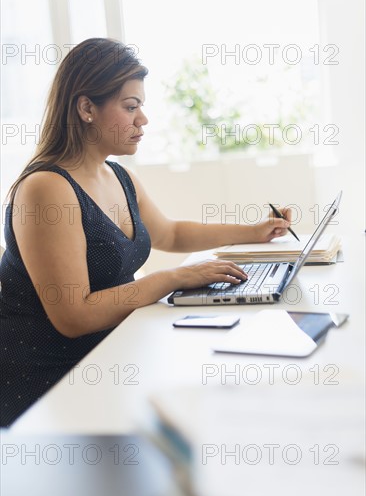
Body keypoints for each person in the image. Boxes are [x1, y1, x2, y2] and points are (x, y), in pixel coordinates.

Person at [0, 38, 291, 426]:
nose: (143, 120)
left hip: (110, 356)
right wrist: (172, 279)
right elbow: (73, 315)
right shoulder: (46, 189)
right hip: (50, 386)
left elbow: (170, 233)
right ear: (86, 108)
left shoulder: (118, 176)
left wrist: (254, 232)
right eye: (130, 107)